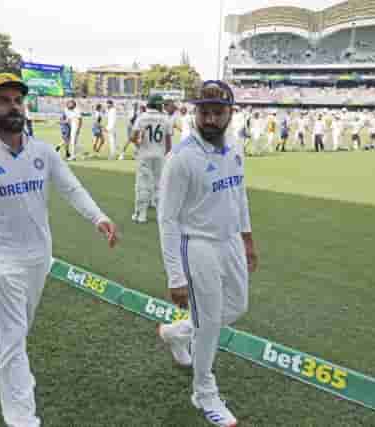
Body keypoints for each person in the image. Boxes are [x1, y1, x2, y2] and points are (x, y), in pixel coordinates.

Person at [0, 72, 118, 427]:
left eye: (17, 100)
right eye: (3, 100)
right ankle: (21, 417)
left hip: (40, 258)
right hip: (3, 262)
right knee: (12, 341)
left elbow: (71, 187)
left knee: (19, 331)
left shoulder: (42, 151)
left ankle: (18, 382)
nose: (13, 107)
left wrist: (98, 217)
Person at [157, 80, 258, 427]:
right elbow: (167, 219)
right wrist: (175, 276)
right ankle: (204, 392)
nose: (211, 118)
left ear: (230, 114)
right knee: (210, 319)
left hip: (229, 241)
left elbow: (239, 196)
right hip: (196, 244)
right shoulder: (182, 158)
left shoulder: (234, 148)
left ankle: (177, 333)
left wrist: (247, 240)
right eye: (205, 111)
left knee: (236, 307)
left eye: (218, 111)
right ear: (196, 113)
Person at [130, 94, 172, 223]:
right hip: (159, 155)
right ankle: (161, 214)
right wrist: (162, 153)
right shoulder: (166, 119)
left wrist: (138, 144)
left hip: (144, 154)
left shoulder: (142, 118)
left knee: (143, 184)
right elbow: (169, 144)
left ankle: (141, 214)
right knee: (159, 185)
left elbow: (133, 137)